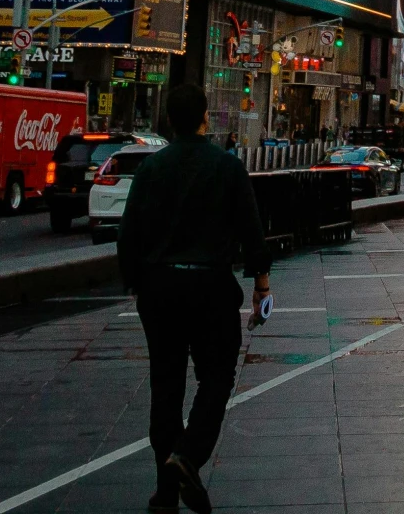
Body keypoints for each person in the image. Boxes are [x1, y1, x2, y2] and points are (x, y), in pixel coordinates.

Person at [119, 83, 270, 514]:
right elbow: (250, 227)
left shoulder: (152, 169)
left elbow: (129, 232)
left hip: (160, 289)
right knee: (217, 378)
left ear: (168, 120)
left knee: (165, 387)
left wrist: (135, 281)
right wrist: (261, 284)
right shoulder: (226, 167)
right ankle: (187, 456)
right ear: (205, 117)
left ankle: (165, 492)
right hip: (210, 288)